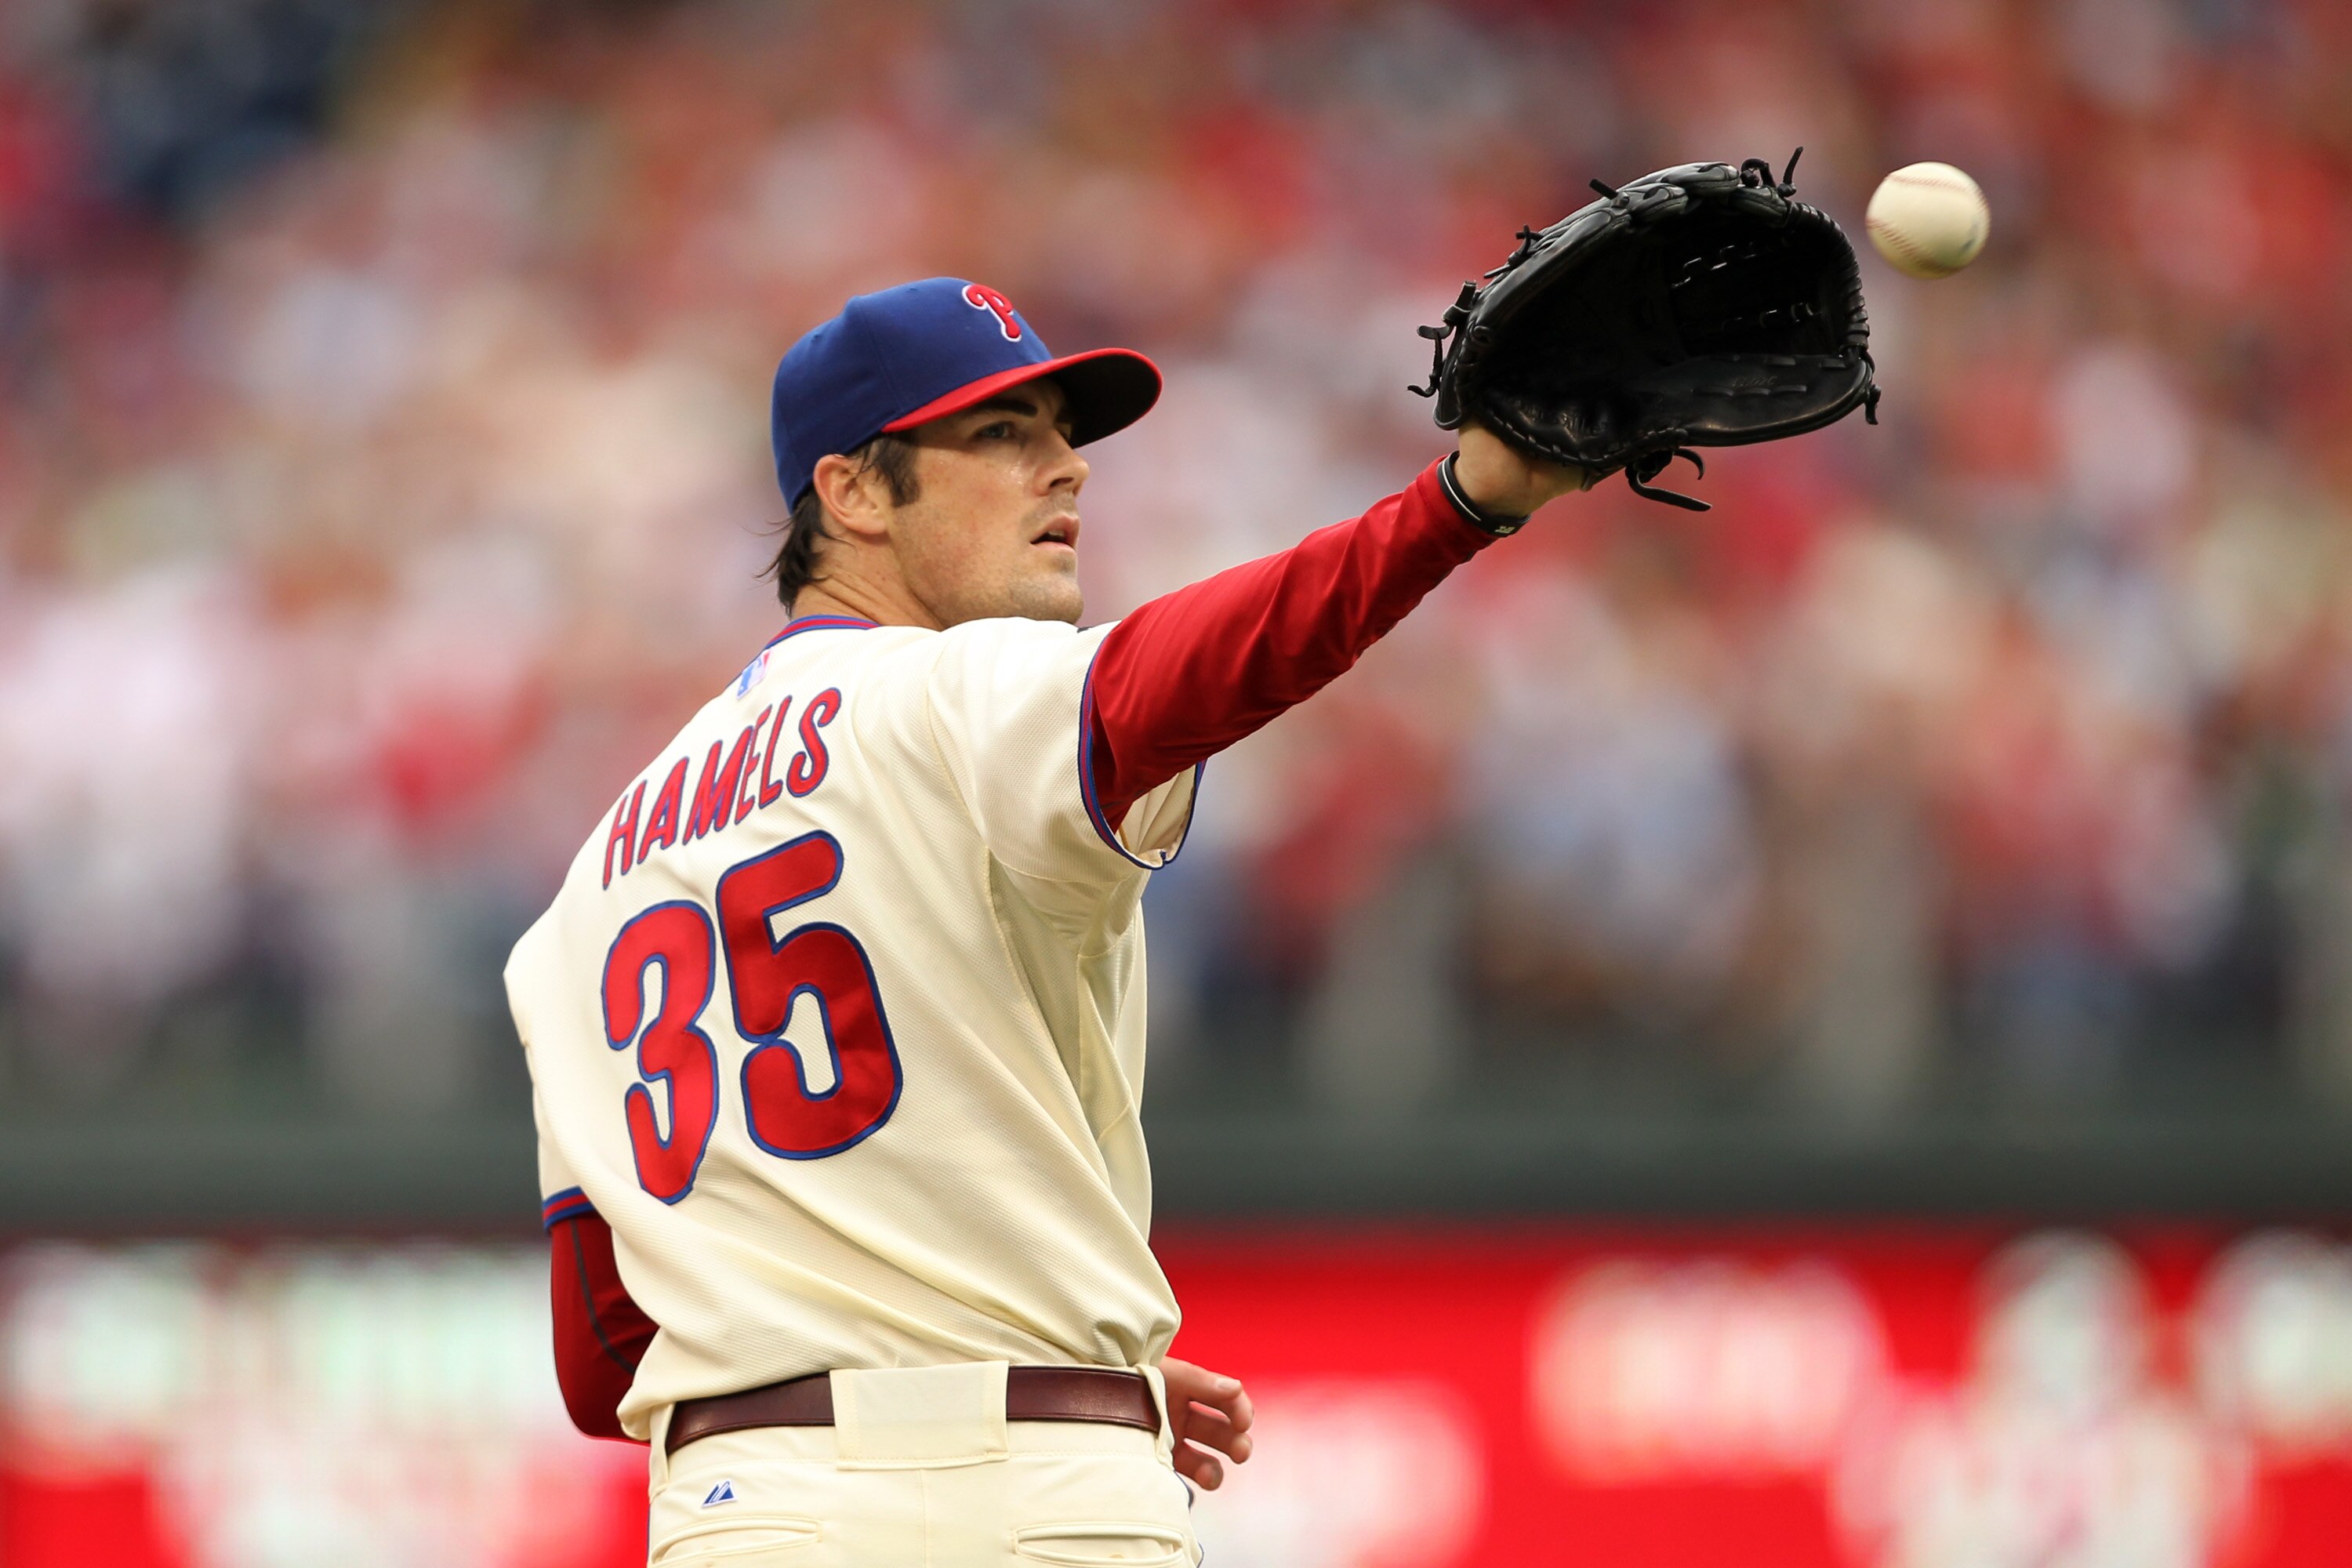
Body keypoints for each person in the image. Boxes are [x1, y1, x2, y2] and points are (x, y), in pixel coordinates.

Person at [506, 276, 1585, 1565]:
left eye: (1063, 434)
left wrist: (901, 1367)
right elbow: (1186, 675)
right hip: (1038, 1505)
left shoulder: (591, 884)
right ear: (851, 492)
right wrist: (1462, 504)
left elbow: (604, 1360)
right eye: (1002, 435)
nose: (1068, 469)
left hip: (747, 1515)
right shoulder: (954, 691)